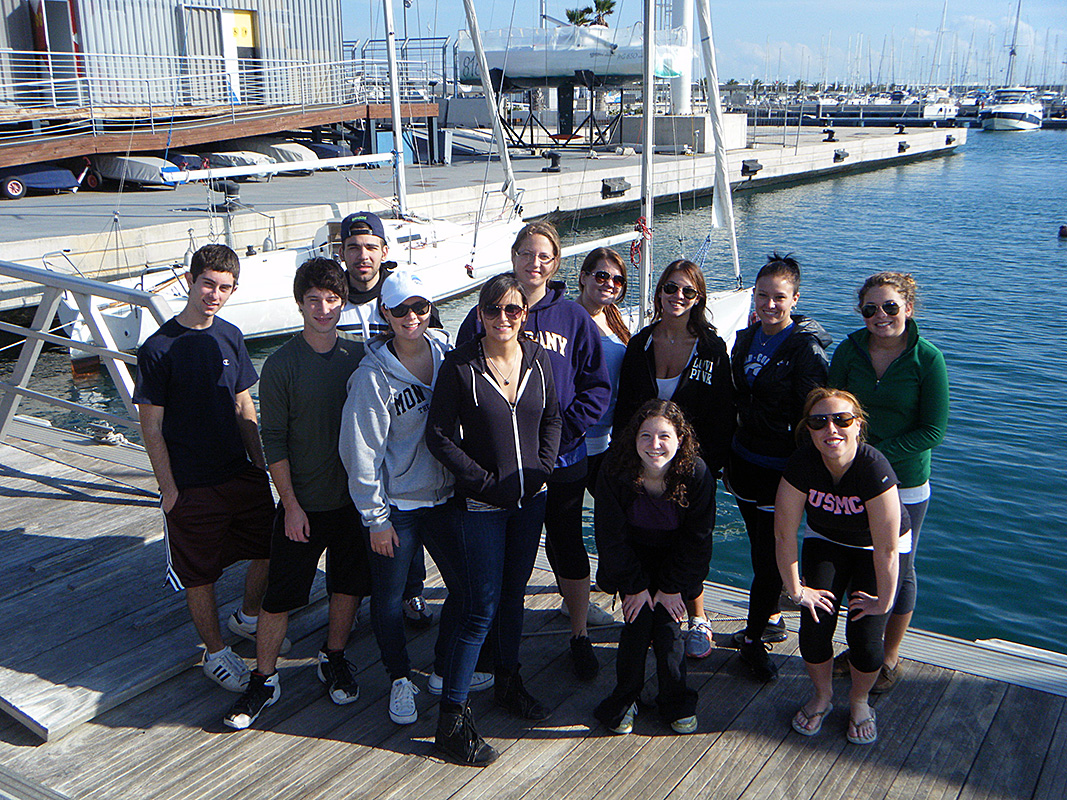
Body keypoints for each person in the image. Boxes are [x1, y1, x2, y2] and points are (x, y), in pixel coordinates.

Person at [457, 222, 611, 682]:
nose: (534, 263)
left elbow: (596, 387)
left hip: (562, 460)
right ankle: (496, 638)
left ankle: (579, 634)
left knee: (567, 544)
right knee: (507, 555)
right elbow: (463, 382)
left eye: (544, 256)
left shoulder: (574, 318)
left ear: (556, 263)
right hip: (505, 466)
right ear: (513, 256)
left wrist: (561, 437)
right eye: (526, 253)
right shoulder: (485, 313)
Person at [223, 257, 370, 730]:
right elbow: (275, 440)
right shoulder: (281, 364)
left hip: (354, 503)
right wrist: (289, 505)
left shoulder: (360, 357)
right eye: (314, 299)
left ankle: (334, 656)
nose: (323, 308)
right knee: (279, 597)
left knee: (347, 586)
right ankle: (264, 678)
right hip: (301, 506)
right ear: (300, 303)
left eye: (332, 299)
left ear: (343, 303)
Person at [426, 274, 562, 766]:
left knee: (512, 595)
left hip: (530, 502)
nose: (503, 318)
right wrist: (485, 483)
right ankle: (451, 719)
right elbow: (439, 436)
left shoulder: (539, 360)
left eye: (513, 310)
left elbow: (553, 418)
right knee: (479, 606)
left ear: (524, 315)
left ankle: (508, 681)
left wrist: (543, 468)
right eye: (493, 310)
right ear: (480, 314)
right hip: (482, 507)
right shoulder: (460, 366)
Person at [134, 243, 274, 694]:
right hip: (190, 482)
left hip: (240, 471)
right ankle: (215, 653)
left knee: (269, 547)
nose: (215, 294)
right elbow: (151, 427)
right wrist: (169, 490)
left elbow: (243, 404)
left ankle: (247, 617)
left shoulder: (231, 335)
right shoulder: (158, 348)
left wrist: (260, 465)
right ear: (189, 281)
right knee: (201, 574)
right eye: (207, 284)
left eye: (225, 288)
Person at [339, 270, 457, 727]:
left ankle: (444, 667)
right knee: (388, 599)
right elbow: (360, 453)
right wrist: (376, 519)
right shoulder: (372, 378)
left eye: (420, 307)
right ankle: (400, 677)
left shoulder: (446, 354)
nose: (412, 317)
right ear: (384, 313)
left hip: (445, 500)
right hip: (399, 508)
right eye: (401, 309)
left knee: (466, 587)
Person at [828, 272, 948, 693]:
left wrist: (873, 455)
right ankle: (861, 649)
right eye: (870, 309)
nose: (880, 315)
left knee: (900, 566)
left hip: (905, 481)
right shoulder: (849, 350)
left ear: (908, 309)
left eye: (891, 306)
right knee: (858, 561)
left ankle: (889, 656)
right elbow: (831, 406)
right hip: (853, 477)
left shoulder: (927, 359)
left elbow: (933, 430)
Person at [774, 388, 910, 746]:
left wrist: (885, 602)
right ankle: (823, 696)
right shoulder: (803, 463)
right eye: (819, 422)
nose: (831, 429)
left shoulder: (873, 468)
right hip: (827, 538)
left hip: (876, 547)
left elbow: (887, 548)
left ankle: (860, 701)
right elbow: (784, 534)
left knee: (865, 637)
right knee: (814, 625)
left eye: (842, 419)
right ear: (809, 429)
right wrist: (796, 590)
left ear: (858, 425)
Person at [613, 259, 734, 659]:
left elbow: (723, 413)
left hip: (690, 467)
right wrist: (623, 461)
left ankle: (697, 616)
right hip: (643, 460)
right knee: (644, 536)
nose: (677, 296)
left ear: (698, 298)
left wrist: (707, 469)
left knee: (689, 539)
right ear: (659, 292)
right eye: (670, 288)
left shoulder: (712, 349)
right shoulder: (640, 344)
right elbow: (625, 409)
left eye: (687, 291)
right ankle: (648, 609)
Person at [725, 253, 831, 683]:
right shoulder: (746, 338)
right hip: (744, 462)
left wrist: (807, 472)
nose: (770, 305)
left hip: (779, 470)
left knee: (771, 560)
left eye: (780, 298)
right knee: (758, 548)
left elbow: (813, 413)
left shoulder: (805, 349)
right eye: (763, 296)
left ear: (795, 299)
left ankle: (752, 642)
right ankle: (770, 618)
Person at [336, 209, 435, 627]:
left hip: (400, 431)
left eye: (370, 247)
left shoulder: (405, 294)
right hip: (351, 420)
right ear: (341, 252)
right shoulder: (331, 300)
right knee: (354, 528)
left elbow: (431, 340)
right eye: (353, 247)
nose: (362, 256)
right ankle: (353, 601)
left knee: (402, 532)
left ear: (384, 250)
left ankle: (411, 591)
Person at [593, 400, 715, 736]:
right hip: (632, 558)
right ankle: (626, 699)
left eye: (664, 436)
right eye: (645, 436)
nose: (654, 445)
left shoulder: (696, 473)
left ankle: (676, 700)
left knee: (668, 627)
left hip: (675, 560)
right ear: (633, 439)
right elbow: (609, 535)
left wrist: (672, 587)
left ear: (680, 439)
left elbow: (699, 539)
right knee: (637, 623)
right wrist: (633, 587)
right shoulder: (614, 470)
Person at [575, 246, 631, 490]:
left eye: (618, 280)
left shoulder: (613, 317)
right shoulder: (569, 318)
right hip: (575, 443)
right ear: (583, 277)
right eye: (602, 276)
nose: (610, 284)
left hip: (606, 442)